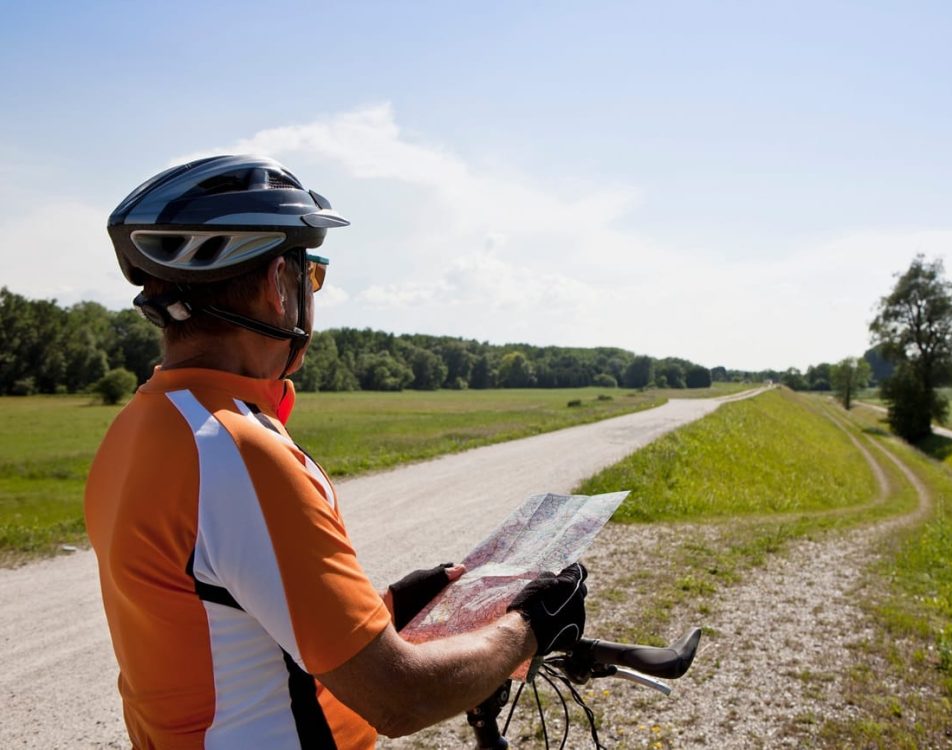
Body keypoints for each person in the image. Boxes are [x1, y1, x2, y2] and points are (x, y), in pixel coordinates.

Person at [85, 155, 587, 749]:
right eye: (311, 274)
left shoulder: (145, 427)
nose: (311, 293)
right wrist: (528, 627)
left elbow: (228, 623)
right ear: (278, 285)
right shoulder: (238, 454)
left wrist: (392, 607)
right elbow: (399, 698)